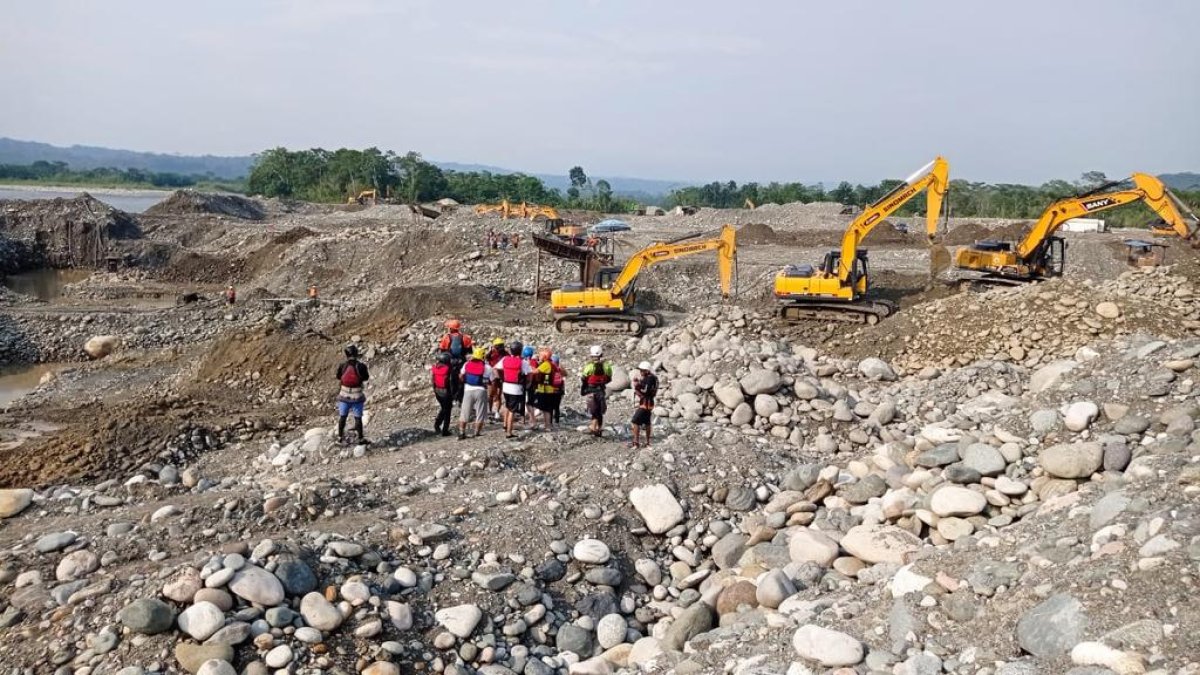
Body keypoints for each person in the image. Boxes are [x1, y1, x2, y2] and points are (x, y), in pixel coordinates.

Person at [335, 344, 370, 444]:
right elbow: (366, 378)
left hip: (344, 396)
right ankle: (360, 439)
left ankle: (340, 438)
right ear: (356, 353)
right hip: (357, 396)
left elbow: (338, 377)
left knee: (342, 417)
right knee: (358, 418)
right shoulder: (361, 366)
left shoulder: (342, 366)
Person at [499, 340, 532, 439]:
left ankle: (505, 425)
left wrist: (502, 378)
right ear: (520, 351)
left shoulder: (505, 359)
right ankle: (509, 432)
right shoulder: (523, 362)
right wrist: (528, 383)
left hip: (505, 386)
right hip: (516, 388)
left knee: (507, 406)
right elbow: (529, 374)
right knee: (512, 410)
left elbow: (496, 368)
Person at [459, 347, 493, 439]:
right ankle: (477, 432)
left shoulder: (466, 364)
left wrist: (465, 382)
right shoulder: (488, 367)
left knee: (465, 413)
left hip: (468, 390)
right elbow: (491, 380)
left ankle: (462, 432)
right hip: (481, 391)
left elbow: (461, 376)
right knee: (480, 413)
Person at [580, 345, 613, 437]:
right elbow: (609, 377)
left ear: (591, 355)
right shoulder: (607, 366)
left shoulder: (589, 366)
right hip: (601, 391)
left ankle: (593, 427)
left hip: (591, 391)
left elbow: (583, 377)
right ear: (601, 354)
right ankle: (599, 428)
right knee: (599, 410)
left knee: (594, 410)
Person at [438, 319, 474, 401]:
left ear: (451, 328)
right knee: (462, 379)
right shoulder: (465, 337)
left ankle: (454, 397)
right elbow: (469, 351)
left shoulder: (446, 338)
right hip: (462, 362)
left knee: (452, 380)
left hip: (451, 362)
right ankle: (461, 396)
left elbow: (442, 351)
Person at [631, 361, 659, 448]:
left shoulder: (649, 379)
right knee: (647, 422)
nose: (641, 372)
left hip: (645, 404)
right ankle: (647, 443)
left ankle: (636, 442)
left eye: (642, 370)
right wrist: (640, 383)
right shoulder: (653, 378)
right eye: (640, 370)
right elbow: (649, 389)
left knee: (635, 421)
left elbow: (645, 391)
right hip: (649, 403)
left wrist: (637, 385)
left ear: (647, 370)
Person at [431, 353, 454, 436]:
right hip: (446, 392)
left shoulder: (435, 368)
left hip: (437, 391)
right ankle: (445, 430)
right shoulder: (448, 369)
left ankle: (437, 425)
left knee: (444, 408)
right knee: (447, 410)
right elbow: (451, 382)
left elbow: (433, 380)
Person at [486, 338, 508, 422]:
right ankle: (490, 410)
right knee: (491, 394)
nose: (499, 348)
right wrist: (490, 350)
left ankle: (496, 412)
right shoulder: (492, 353)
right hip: (492, 376)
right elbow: (486, 358)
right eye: (498, 346)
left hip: (501, 376)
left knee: (498, 394)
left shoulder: (505, 353)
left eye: (500, 346)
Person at [548, 354, 567, 425]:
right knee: (557, 407)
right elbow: (566, 374)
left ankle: (550, 422)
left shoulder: (549, 367)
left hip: (550, 390)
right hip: (559, 390)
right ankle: (557, 421)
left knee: (550, 407)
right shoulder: (560, 369)